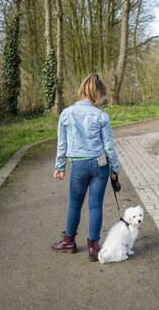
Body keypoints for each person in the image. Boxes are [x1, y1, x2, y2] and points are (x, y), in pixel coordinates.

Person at [51, 73, 120, 262]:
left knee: (75, 204)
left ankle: (69, 242)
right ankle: (93, 247)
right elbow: (108, 146)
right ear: (96, 93)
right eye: (101, 97)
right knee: (96, 205)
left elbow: (62, 144)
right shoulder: (101, 115)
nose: (101, 101)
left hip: (79, 165)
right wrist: (115, 167)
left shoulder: (66, 113)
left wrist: (60, 166)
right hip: (100, 165)